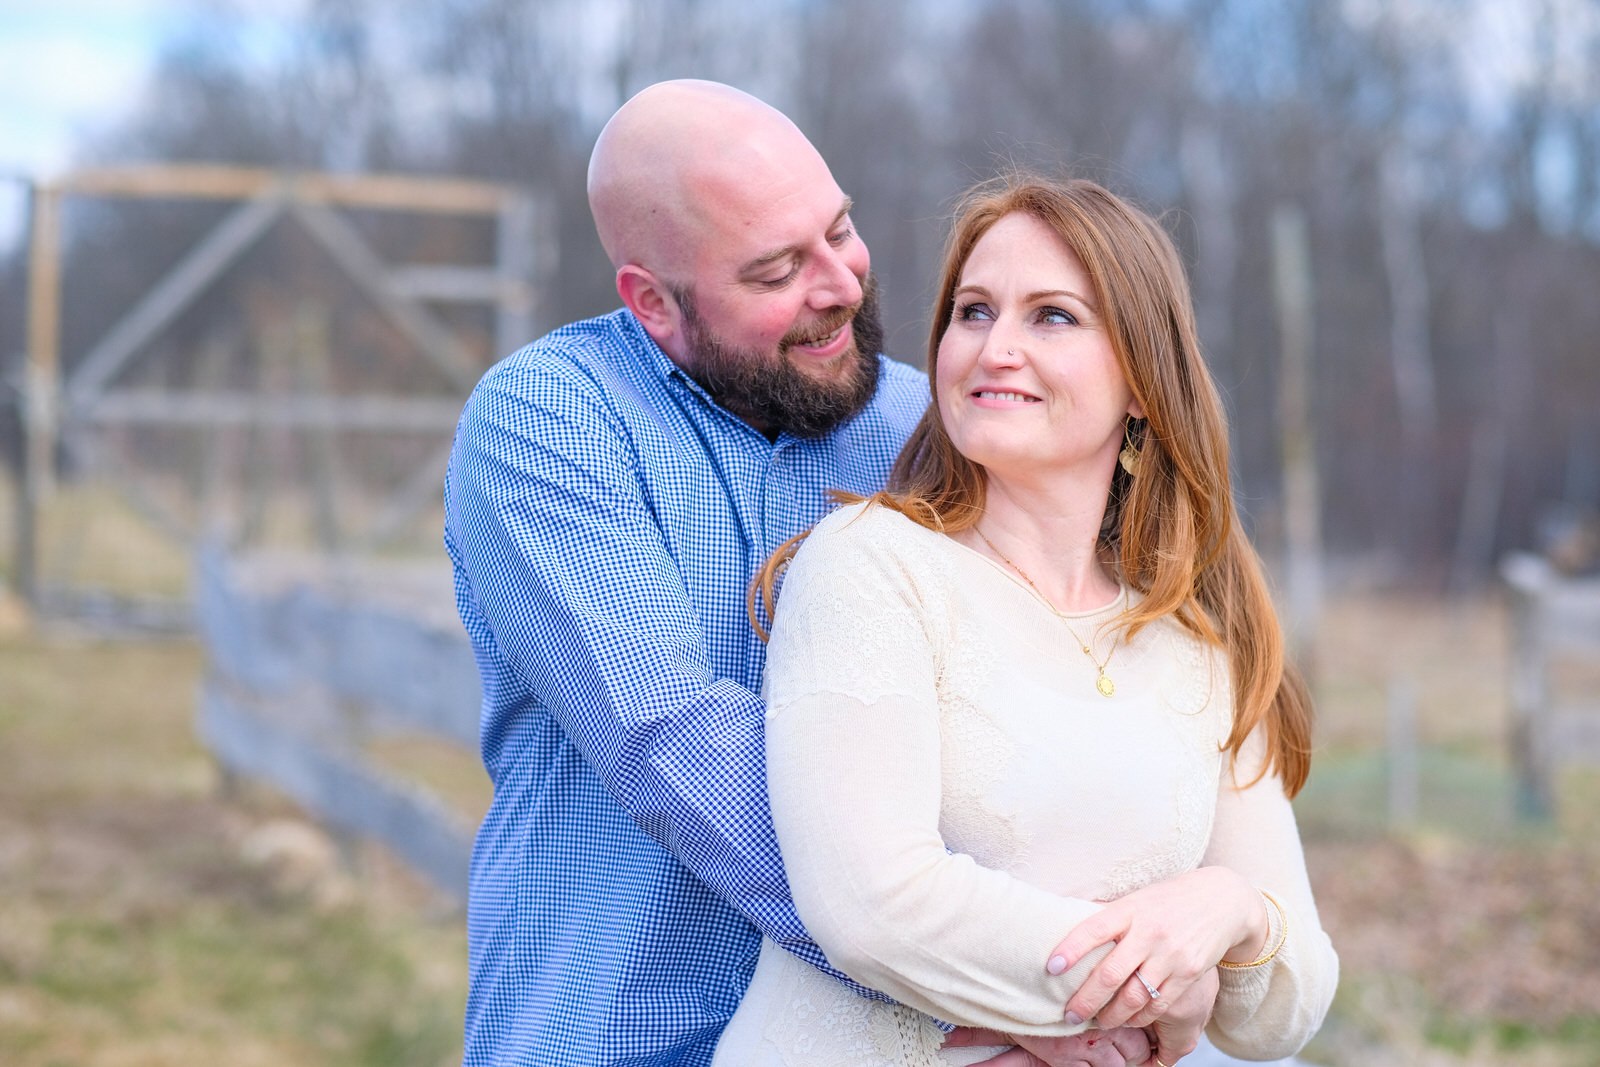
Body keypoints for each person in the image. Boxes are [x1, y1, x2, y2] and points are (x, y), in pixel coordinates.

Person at [444, 81, 1158, 1067]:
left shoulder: (928, 425)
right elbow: (673, 737)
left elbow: (1053, 702)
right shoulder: (546, 424)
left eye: (840, 230)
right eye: (778, 267)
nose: (839, 284)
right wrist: (1006, 977)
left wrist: (1172, 931)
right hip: (625, 1030)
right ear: (654, 302)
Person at [713, 175, 1339, 1065]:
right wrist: (1161, 986)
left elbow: (1287, 1005)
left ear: (1141, 382)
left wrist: (1226, 910)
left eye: (1052, 316)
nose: (995, 347)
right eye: (973, 312)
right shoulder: (872, 566)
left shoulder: (1193, 636)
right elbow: (871, 902)